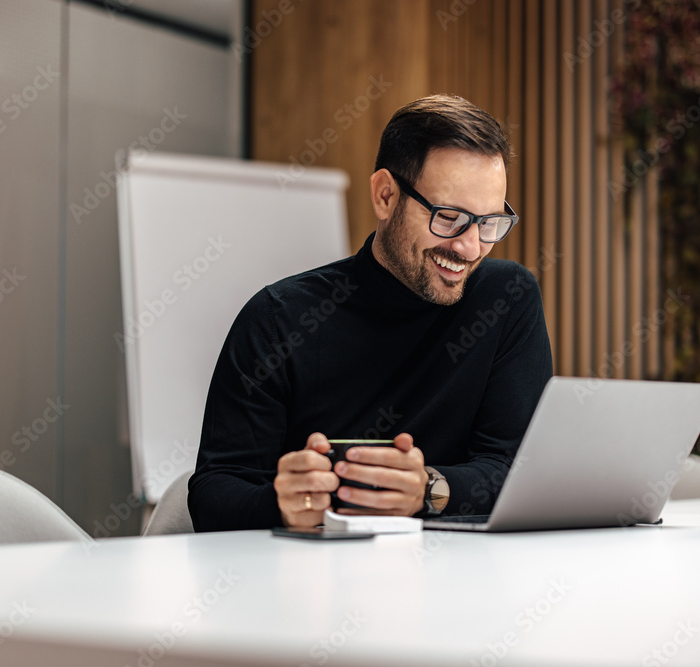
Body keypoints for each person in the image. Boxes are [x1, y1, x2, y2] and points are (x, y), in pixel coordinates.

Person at [188, 94, 552, 531]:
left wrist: (430, 490)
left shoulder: (506, 298)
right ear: (385, 195)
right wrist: (280, 505)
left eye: (489, 223)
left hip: (464, 580)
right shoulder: (277, 320)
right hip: (312, 585)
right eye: (449, 217)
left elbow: (521, 470)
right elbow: (214, 492)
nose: (469, 247)